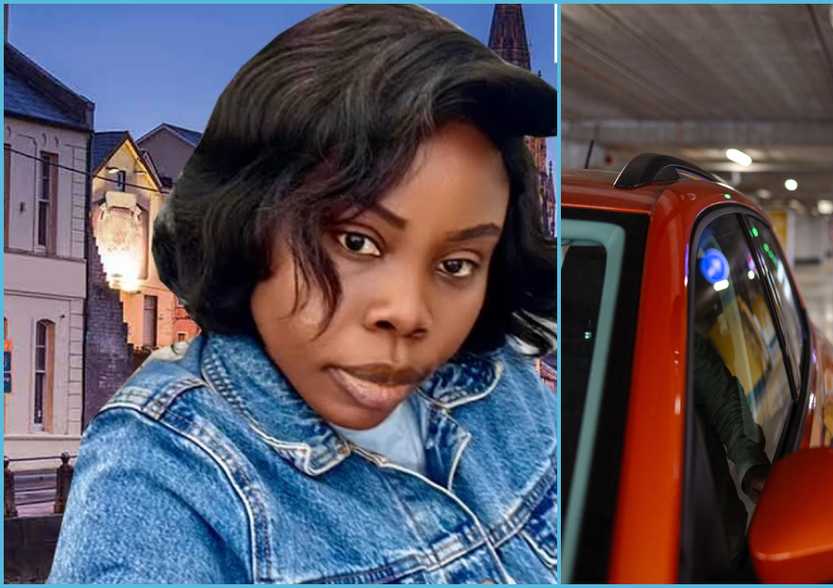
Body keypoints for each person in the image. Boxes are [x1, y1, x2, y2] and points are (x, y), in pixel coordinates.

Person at [49, 5, 557, 584]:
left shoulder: (500, 376)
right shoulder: (162, 474)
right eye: (358, 242)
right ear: (249, 223)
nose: (410, 313)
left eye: (457, 262)